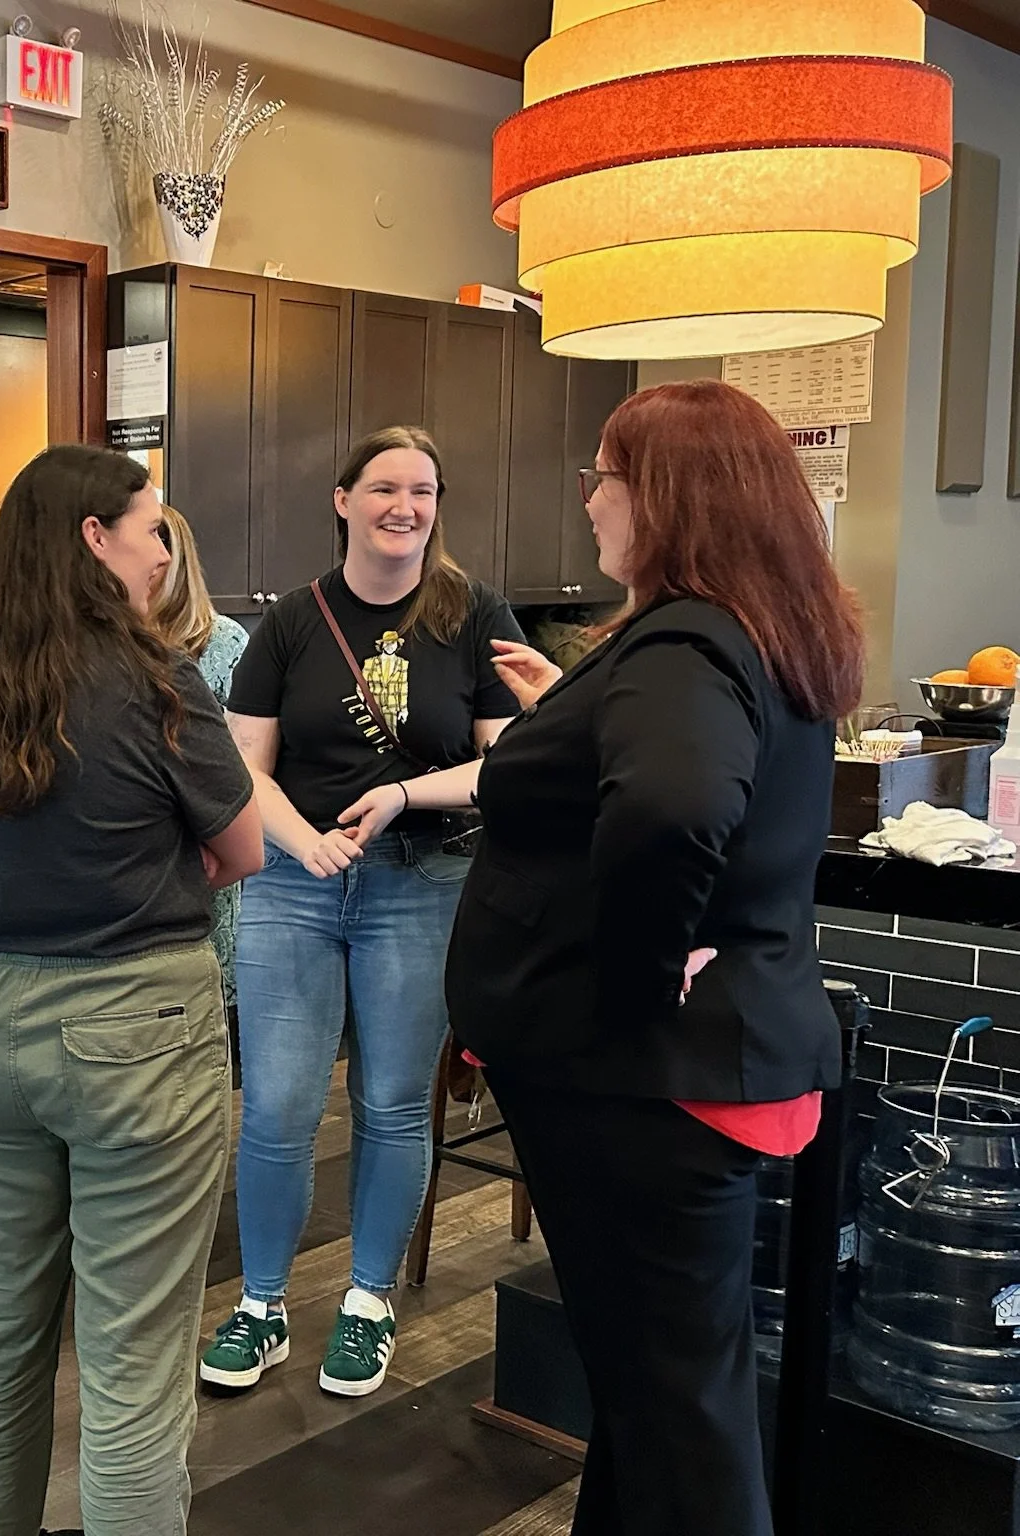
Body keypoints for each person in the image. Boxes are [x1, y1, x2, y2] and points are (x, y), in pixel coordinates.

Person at [447, 379, 863, 1536]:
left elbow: (673, 809)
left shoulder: (684, 639)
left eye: (604, 475)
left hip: (642, 1086)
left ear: (666, 496)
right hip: (687, 1076)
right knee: (652, 1394)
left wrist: (629, 981)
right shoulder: (756, 626)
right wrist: (571, 709)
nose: (589, 502)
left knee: (682, 1421)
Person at [0, 445, 262, 1536]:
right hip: (138, 1027)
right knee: (132, 1360)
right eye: (149, 528)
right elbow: (239, 849)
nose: (162, 552)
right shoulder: (158, 682)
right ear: (91, 539)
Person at [204, 426, 526, 1398]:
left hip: (418, 883)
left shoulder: (472, 617)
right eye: (383, 487)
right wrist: (301, 841)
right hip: (292, 889)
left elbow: (507, 761)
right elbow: (240, 768)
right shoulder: (292, 623)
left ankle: (366, 1302)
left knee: (390, 1104)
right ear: (342, 500)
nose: (404, 506)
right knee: (277, 1108)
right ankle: (260, 1307)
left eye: (422, 490)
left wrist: (403, 796)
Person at [151, 503, 251, 1065]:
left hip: (207, 860)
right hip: (134, 871)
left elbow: (236, 771)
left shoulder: (222, 644)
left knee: (201, 1040)